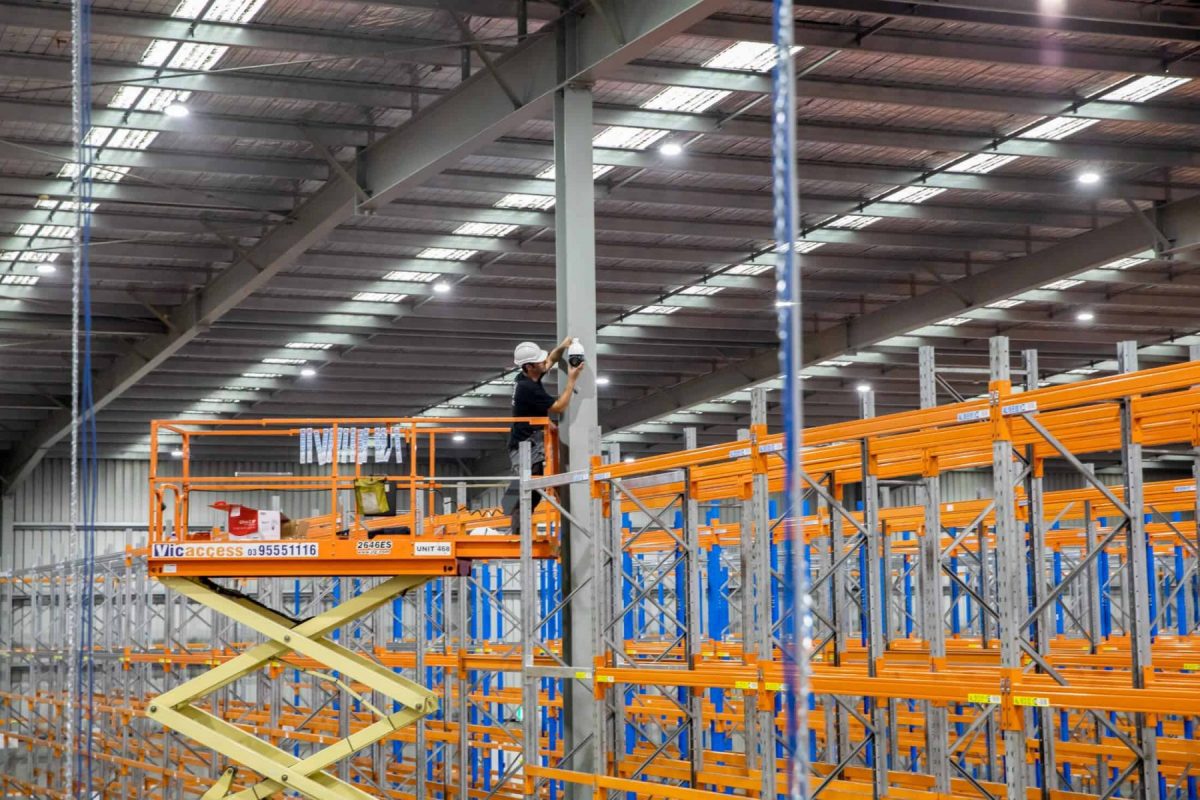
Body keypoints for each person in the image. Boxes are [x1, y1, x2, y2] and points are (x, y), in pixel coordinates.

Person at [502, 337, 584, 532]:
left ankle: (515, 520)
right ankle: (517, 531)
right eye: (538, 361)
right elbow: (558, 407)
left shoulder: (527, 376)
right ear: (529, 366)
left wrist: (563, 346)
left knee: (534, 485)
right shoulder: (527, 387)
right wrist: (572, 379)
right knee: (532, 487)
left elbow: (551, 360)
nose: (543, 362)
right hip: (525, 444)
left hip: (530, 439)